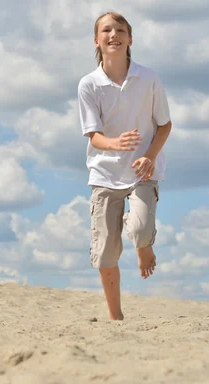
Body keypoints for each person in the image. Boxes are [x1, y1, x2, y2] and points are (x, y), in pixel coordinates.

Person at [77, 12, 172, 320]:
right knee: (104, 254)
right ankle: (116, 317)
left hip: (142, 171)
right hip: (104, 174)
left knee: (143, 230)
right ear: (97, 40)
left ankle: (143, 244)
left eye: (120, 29)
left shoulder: (149, 78)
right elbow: (93, 135)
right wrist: (114, 143)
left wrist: (150, 156)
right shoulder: (89, 84)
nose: (113, 34)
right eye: (106, 30)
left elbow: (165, 125)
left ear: (130, 39)